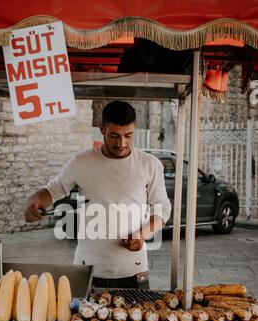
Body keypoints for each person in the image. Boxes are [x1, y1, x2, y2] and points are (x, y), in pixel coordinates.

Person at [25, 101, 171, 289]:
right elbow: (53, 190)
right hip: (88, 270)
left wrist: (143, 234)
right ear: (102, 129)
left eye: (128, 136)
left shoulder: (150, 164)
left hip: (133, 271)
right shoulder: (82, 162)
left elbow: (163, 208)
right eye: (114, 136)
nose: (121, 144)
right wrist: (33, 201)